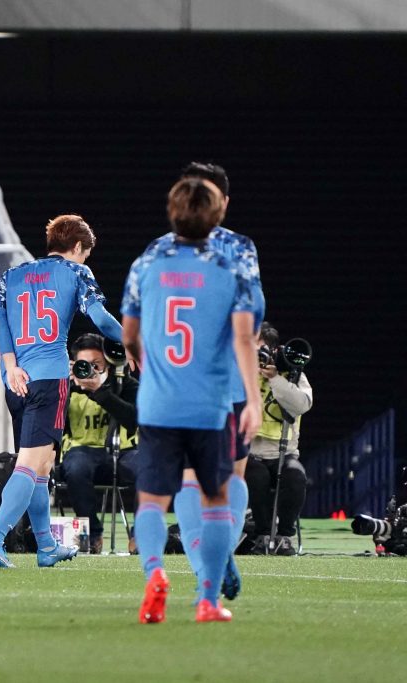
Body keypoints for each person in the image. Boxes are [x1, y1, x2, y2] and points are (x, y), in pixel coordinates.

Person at [121, 177, 262, 624]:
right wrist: (254, 400)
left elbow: (130, 336)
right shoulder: (231, 265)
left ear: (172, 212)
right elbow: (246, 337)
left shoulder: (147, 263)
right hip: (212, 402)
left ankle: (155, 575)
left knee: (150, 501)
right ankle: (206, 597)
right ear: (218, 214)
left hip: (160, 402)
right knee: (217, 497)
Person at [0, 214, 122, 568]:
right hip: (48, 378)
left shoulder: (12, 275)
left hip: (15, 380)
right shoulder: (76, 273)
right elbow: (101, 318)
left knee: (41, 468)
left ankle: (46, 546)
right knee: (30, 465)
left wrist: (11, 365)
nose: (85, 260)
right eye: (85, 253)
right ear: (77, 247)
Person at [167, 163, 266, 601]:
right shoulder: (240, 248)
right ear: (222, 202)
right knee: (230, 481)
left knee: (190, 479)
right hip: (228, 379)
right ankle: (220, 553)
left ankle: (203, 568)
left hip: (181, 382)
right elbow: (251, 324)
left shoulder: (161, 251)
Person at [59, 333, 139, 554]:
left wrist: (100, 392)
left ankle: (141, 535)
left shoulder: (124, 384)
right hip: (82, 451)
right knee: (75, 468)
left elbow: (133, 419)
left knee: (150, 467)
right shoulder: (66, 388)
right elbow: (49, 422)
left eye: (97, 365)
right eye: (85, 365)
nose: (92, 371)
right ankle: (92, 535)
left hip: (123, 451)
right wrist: (61, 385)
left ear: (108, 364)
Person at [245, 322, 313, 555]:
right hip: (250, 454)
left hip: (285, 453)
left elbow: (302, 404)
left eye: (261, 350)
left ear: (274, 350)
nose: (257, 356)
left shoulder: (292, 373)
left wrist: (275, 378)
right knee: (256, 475)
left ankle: (284, 536)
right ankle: (262, 535)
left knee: (296, 475)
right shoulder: (241, 373)